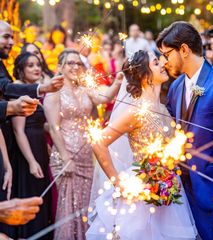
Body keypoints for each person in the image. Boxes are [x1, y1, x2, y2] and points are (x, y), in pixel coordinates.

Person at [86, 50, 197, 239]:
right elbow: (98, 142)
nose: (163, 64)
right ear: (143, 75)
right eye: (155, 63)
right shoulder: (136, 111)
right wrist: (118, 183)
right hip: (140, 190)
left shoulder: (162, 108)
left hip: (168, 186)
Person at [157, 21, 213, 240]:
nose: (164, 61)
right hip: (180, 193)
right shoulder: (176, 87)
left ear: (184, 50)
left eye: (166, 54)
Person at [44, 48, 121, 240]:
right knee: (68, 206)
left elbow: (104, 98)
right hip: (66, 156)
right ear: (60, 66)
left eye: (78, 63)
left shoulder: (84, 88)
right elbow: (53, 128)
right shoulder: (53, 91)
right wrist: (65, 157)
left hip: (87, 155)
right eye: (70, 63)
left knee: (86, 203)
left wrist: (118, 82)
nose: (75, 66)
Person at [11, 52, 53, 239]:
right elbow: (18, 130)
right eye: (30, 65)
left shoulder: (34, 88)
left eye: (38, 64)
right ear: (20, 70)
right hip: (26, 149)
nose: (36, 68)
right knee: (31, 192)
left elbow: (40, 124)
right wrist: (31, 161)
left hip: (39, 145)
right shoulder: (19, 90)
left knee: (42, 195)